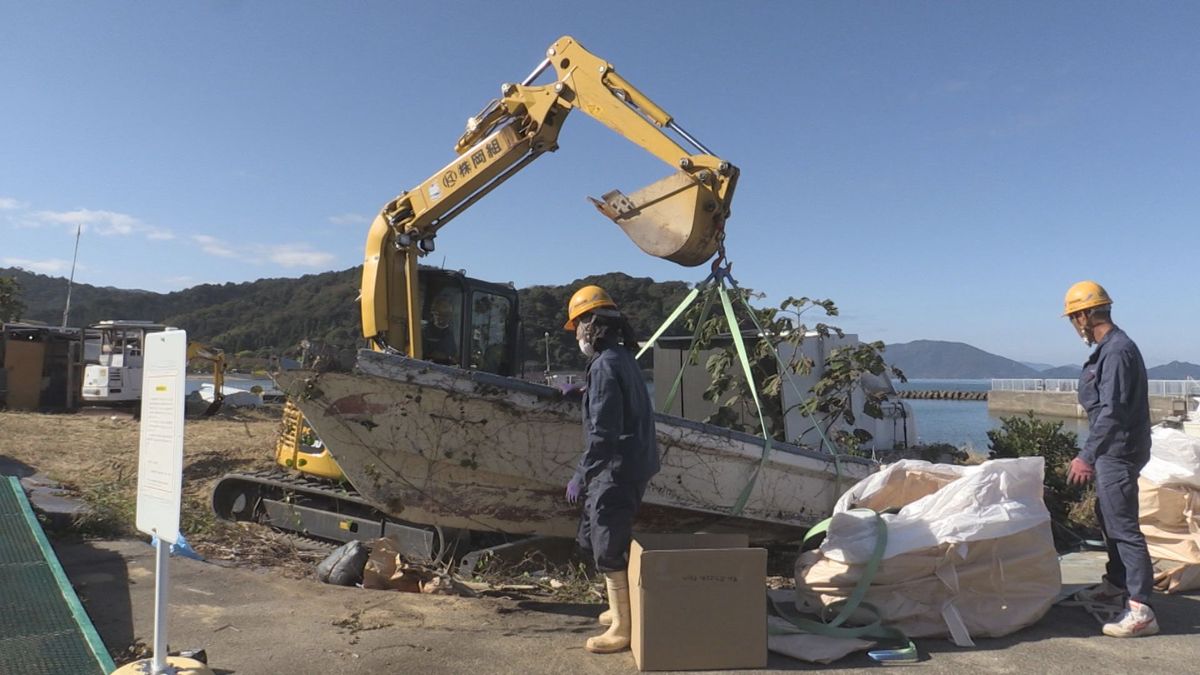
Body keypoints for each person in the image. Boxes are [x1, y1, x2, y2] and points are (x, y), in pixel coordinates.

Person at [562, 284, 660, 654]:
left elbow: (603, 433)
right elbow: (615, 402)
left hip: (616, 467)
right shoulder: (621, 359)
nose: (578, 337)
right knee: (592, 535)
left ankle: (623, 626)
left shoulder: (605, 366)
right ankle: (619, 607)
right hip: (631, 462)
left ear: (591, 325)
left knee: (607, 540)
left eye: (579, 327)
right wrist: (585, 392)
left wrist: (580, 474)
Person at [1063, 280, 1158, 638]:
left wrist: (1085, 456)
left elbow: (1113, 412)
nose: (1074, 324)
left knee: (1123, 526)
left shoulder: (1117, 351)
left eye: (1074, 317)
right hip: (1113, 449)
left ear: (1086, 315)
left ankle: (1141, 608)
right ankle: (1116, 583)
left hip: (1118, 449)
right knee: (1108, 516)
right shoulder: (1109, 349)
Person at [422, 295, 458, 365]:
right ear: (433, 313)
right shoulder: (424, 331)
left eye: (446, 315)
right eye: (439, 314)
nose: (442, 318)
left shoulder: (451, 333)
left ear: (450, 315)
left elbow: (454, 355)